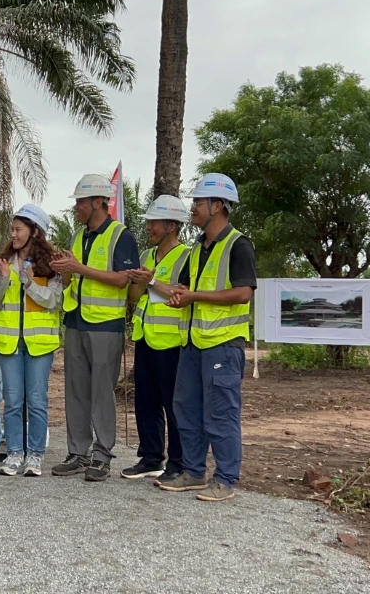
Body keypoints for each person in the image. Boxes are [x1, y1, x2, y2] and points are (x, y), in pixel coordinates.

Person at [160, 173, 256, 502]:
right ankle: (194, 472)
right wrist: (180, 295)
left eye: (198, 203)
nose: (193, 209)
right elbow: (188, 289)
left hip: (223, 345)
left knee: (220, 413)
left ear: (218, 206)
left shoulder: (238, 245)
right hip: (193, 343)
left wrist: (195, 296)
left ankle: (226, 478)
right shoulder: (197, 249)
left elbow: (243, 293)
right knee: (186, 408)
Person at [49, 174, 140, 482]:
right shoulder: (79, 235)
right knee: (75, 391)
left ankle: (101, 455)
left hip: (105, 325)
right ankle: (78, 453)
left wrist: (78, 268)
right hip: (75, 321)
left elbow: (123, 280)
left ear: (98, 202)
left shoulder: (120, 235)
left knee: (102, 392)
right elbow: (72, 279)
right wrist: (63, 270)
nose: (76, 208)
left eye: (80, 202)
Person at [0, 204, 63, 477]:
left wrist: (30, 284)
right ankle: (15, 453)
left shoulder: (50, 266)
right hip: (10, 344)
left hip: (39, 345)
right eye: (12, 229)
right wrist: (6, 280)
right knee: (13, 401)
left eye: (18, 229)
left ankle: (36, 455)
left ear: (34, 232)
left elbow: (55, 301)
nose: (13, 235)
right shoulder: (1, 263)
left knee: (37, 401)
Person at [120, 196, 191, 483]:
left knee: (173, 404)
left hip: (172, 341)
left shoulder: (187, 256)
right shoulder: (148, 257)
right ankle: (150, 458)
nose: (148, 227)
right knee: (145, 401)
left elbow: (182, 293)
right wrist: (137, 282)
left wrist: (150, 281)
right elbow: (135, 298)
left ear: (171, 225)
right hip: (145, 337)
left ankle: (179, 462)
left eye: (154, 222)